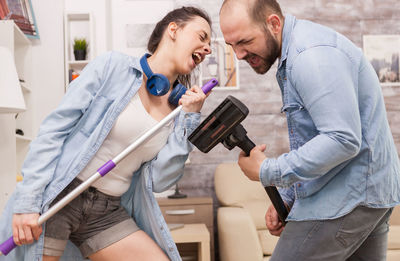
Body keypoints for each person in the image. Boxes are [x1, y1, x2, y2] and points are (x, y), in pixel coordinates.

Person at [0, 6, 212, 261]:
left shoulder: (179, 111)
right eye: (202, 37)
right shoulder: (113, 67)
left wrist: (190, 118)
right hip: (61, 196)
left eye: (210, 44)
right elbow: (53, 130)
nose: (208, 48)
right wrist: (28, 202)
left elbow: (160, 179)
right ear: (173, 30)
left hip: (106, 210)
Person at [219, 0, 400, 260]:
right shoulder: (299, 51)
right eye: (231, 45)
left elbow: (342, 139)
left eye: (245, 41)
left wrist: (268, 171)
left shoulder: (309, 56)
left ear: (274, 23)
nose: (238, 54)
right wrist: (288, 196)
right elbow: (314, 137)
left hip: (347, 198)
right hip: (367, 196)